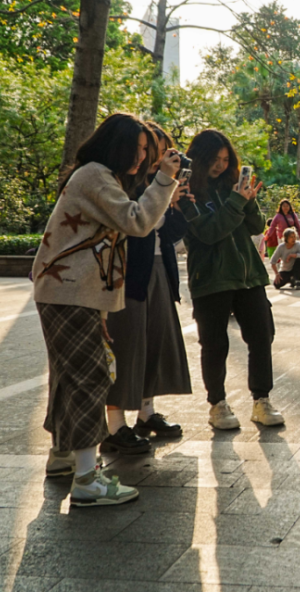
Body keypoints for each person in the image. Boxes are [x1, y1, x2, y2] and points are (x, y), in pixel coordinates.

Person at [33, 113, 179, 506]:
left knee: (71, 375)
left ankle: (63, 458)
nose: (144, 157)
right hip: (69, 291)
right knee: (90, 376)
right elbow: (138, 221)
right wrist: (164, 180)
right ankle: (86, 479)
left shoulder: (97, 176)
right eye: (140, 148)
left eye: (149, 151)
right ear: (118, 145)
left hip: (71, 291)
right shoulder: (95, 175)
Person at [180, 129, 285, 430]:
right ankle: (218, 404)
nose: (221, 166)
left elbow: (256, 226)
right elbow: (209, 232)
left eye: (226, 159)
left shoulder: (231, 188)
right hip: (211, 278)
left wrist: (247, 200)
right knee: (214, 344)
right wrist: (236, 203)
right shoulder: (187, 194)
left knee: (262, 336)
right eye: (214, 159)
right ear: (199, 159)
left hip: (248, 276)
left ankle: (261, 401)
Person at [102, 124, 192, 454]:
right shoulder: (125, 184)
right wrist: (161, 194)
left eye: (169, 151)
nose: (162, 158)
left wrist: (176, 206)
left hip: (159, 269)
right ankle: (115, 427)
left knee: (153, 343)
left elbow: (168, 236)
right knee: (126, 345)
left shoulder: (161, 186)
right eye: (157, 150)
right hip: (129, 273)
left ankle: (146, 413)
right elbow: (135, 225)